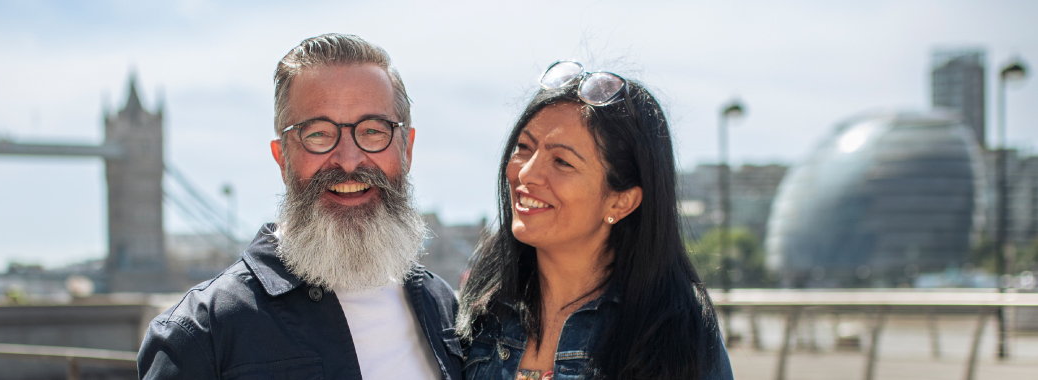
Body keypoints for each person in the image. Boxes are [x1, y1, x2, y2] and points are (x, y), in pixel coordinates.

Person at [137, 33, 464, 380]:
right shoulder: (201, 335)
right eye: (319, 134)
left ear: (407, 150)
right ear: (283, 158)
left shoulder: (443, 309)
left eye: (373, 131)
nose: (349, 160)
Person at [458, 61, 733, 380]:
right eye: (523, 148)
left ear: (622, 200)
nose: (526, 173)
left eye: (561, 161)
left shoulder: (676, 333)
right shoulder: (478, 315)